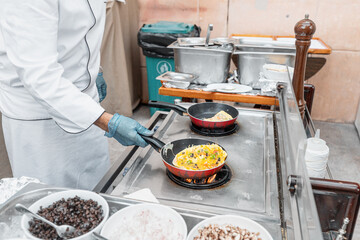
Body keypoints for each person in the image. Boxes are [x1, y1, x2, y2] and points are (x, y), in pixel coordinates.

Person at [0, 1, 152, 190]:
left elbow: (79, 32)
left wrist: (95, 70)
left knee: (97, 188)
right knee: (50, 202)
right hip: (40, 117)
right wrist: (107, 121)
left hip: (85, 102)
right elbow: (39, 76)